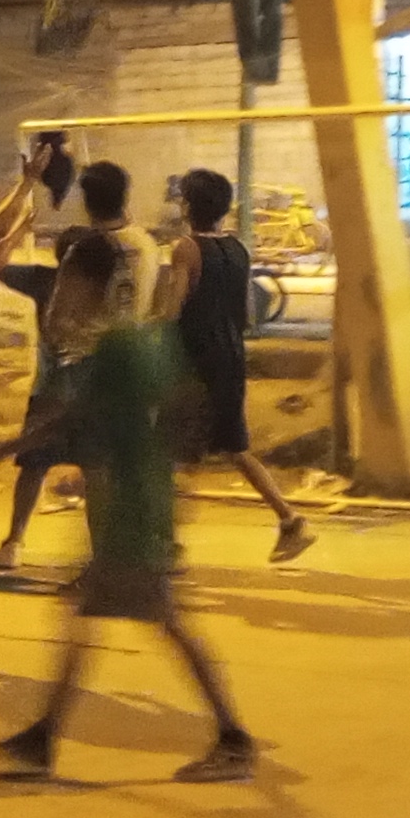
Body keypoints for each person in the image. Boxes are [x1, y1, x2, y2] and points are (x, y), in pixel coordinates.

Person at [0, 237, 258, 785]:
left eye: (68, 277)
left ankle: (233, 738)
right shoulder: (148, 340)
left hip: (130, 506)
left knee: (160, 623)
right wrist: (176, 480)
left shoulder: (115, 348)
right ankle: (42, 738)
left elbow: (68, 419)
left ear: (85, 282)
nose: (62, 289)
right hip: (142, 497)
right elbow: (187, 406)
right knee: (99, 619)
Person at [0, 159, 158, 569]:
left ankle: (14, 543)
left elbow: (58, 317)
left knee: (36, 457)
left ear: (86, 199)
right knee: (99, 468)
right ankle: (104, 560)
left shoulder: (87, 250)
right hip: (125, 369)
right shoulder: (146, 245)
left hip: (75, 370)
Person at [155, 168, 315, 563]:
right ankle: (290, 520)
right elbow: (247, 313)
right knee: (233, 447)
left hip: (195, 362)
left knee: (167, 453)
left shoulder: (186, 249)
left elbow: (172, 310)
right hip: (230, 357)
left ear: (188, 206)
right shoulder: (239, 249)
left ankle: (165, 544)